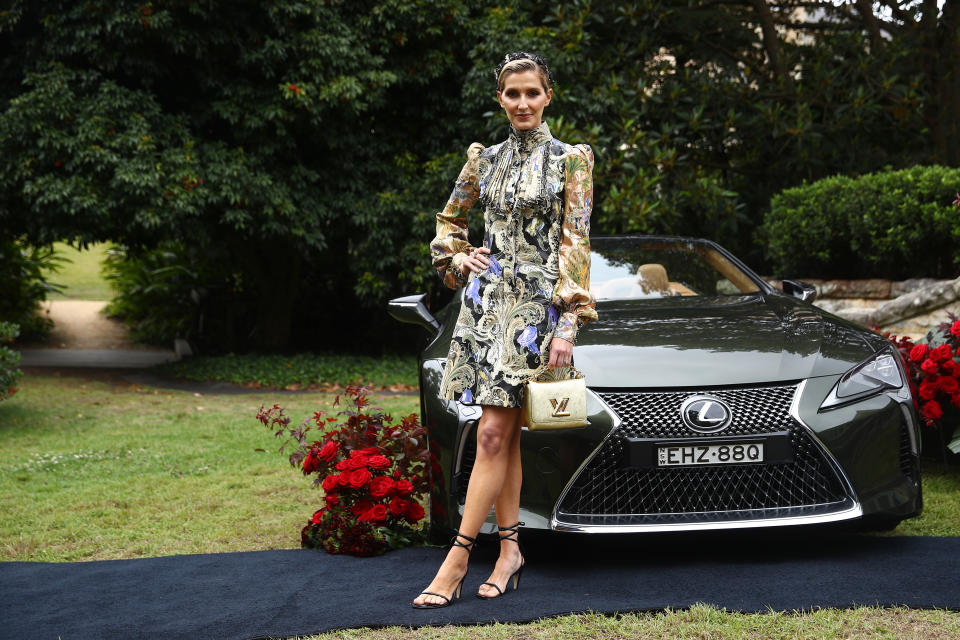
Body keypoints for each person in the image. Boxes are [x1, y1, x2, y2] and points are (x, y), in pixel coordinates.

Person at [413, 51, 597, 608]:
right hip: (485, 307)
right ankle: (511, 550)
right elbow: (449, 222)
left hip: (536, 314)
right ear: (500, 99)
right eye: (512, 94)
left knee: (491, 435)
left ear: (548, 97)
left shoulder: (572, 160)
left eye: (532, 93)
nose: (522, 103)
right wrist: (458, 256)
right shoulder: (482, 161)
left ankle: (458, 557)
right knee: (505, 437)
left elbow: (576, 245)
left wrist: (568, 323)